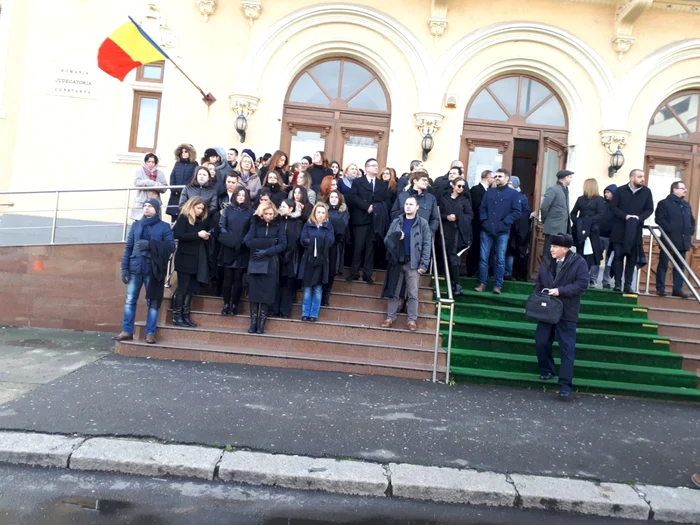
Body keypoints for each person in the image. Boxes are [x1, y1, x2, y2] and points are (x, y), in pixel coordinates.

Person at [534, 233, 589, 400]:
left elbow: (582, 284)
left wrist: (560, 291)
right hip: (547, 310)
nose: (551, 249)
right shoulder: (546, 261)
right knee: (541, 341)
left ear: (565, 249)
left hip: (567, 312)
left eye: (555, 247)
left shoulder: (579, 262)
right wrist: (538, 296)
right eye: (552, 246)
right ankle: (547, 370)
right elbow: (539, 282)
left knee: (567, 349)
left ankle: (565, 385)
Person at [113, 199, 175, 344]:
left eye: (150, 206)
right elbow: (128, 247)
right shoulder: (136, 225)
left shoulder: (164, 227)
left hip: (153, 270)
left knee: (153, 302)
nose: (146, 208)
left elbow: (171, 247)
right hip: (135, 267)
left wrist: (150, 245)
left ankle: (150, 333)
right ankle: (126, 331)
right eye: (145, 206)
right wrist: (124, 268)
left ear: (157, 209)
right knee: (130, 300)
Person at [381, 196, 431, 331]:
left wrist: (424, 264)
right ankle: (390, 318)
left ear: (417, 207)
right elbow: (387, 240)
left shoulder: (423, 223)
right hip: (397, 262)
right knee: (394, 292)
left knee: (413, 293)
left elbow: (427, 244)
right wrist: (397, 237)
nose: (407, 206)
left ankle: (412, 320)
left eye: (411, 204)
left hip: (413, 263)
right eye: (406, 204)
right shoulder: (397, 221)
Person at [475, 169, 521, 294]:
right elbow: (482, 208)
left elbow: (517, 212)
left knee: (500, 259)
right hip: (487, 230)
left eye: (500, 176)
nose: (497, 178)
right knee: (483, 258)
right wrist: (485, 220)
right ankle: (482, 283)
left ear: (507, 178)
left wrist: (505, 222)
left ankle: (497, 285)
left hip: (503, 231)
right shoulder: (489, 192)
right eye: (496, 176)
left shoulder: (513, 194)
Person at [243, 201, 287, 334]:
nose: (268, 216)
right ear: (261, 214)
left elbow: (283, 244)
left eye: (271, 214)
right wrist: (270, 242)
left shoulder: (279, 225)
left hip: (271, 262)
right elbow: (248, 241)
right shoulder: (255, 223)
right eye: (266, 213)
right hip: (256, 261)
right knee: (254, 294)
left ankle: (261, 324)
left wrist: (267, 251)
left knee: (266, 294)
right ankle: (253, 324)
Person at [346, 158, 393, 283]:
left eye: (377, 166)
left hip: (375, 220)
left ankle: (367, 273)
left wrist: (376, 207)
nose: (376, 168)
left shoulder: (382, 184)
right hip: (360, 218)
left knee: (370, 247)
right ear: (366, 168)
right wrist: (366, 207)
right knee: (358, 246)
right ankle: (354, 272)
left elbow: (388, 200)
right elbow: (353, 197)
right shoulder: (358, 182)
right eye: (373, 166)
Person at [610, 169, 654, 293]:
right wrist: (625, 216)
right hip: (619, 230)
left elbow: (649, 209)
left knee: (631, 258)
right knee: (618, 257)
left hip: (635, 230)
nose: (642, 179)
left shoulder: (646, 192)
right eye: (639, 176)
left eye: (643, 176)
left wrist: (639, 218)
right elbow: (613, 207)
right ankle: (617, 283)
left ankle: (628, 285)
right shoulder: (620, 190)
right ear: (632, 178)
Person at [172, 197, 212, 328]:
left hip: (196, 259)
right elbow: (178, 234)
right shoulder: (183, 218)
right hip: (184, 258)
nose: (200, 211)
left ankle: (185, 315)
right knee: (182, 288)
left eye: (202, 209)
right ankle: (177, 316)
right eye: (198, 208)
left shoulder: (201, 221)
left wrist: (206, 235)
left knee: (190, 289)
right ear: (192, 206)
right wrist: (197, 235)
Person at [655, 180, 695, 298]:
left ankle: (677, 289)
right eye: (683, 188)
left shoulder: (686, 204)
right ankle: (660, 288)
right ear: (675, 189)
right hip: (669, 240)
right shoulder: (664, 203)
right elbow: (660, 219)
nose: (685, 190)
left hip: (683, 240)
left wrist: (690, 231)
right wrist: (670, 230)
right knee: (663, 264)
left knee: (680, 266)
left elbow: (691, 221)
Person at [218, 187, 254, 316]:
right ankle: (226, 303)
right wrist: (230, 240)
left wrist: (242, 242)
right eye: (239, 195)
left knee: (238, 278)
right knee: (227, 277)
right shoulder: (228, 209)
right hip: (228, 247)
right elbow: (222, 225)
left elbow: (251, 229)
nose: (241, 197)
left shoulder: (250, 211)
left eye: (243, 195)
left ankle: (234, 305)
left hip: (242, 248)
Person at [298, 203, 335, 322]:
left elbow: (330, 241)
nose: (320, 215)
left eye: (323, 213)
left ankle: (314, 313)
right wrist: (317, 241)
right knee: (308, 287)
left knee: (318, 288)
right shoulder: (308, 225)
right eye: (318, 212)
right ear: (314, 213)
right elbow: (303, 239)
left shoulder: (328, 226)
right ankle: (305, 312)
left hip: (322, 260)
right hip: (309, 259)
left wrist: (315, 240)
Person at [440, 176, 473, 295]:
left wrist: (458, 217)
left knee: (454, 257)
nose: (461, 188)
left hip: (459, 233)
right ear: (453, 186)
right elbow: (440, 213)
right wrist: (447, 217)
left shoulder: (465, 200)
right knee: (447, 256)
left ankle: (457, 284)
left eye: (463, 186)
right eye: (459, 186)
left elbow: (470, 215)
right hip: (446, 231)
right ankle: (453, 283)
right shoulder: (444, 199)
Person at [570, 178, 605, 287]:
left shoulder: (599, 200)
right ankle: (579, 277)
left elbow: (600, 214)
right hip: (580, 231)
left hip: (592, 231)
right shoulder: (580, 199)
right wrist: (579, 223)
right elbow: (573, 213)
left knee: (593, 255)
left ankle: (592, 279)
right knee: (580, 253)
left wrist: (587, 222)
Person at [273, 200, 304, 318]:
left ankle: (285, 311)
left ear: (291, 209)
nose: (280, 208)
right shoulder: (278, 220)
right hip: (277, 254)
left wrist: (287, 252)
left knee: (288, 283)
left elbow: (296, 238)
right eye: (280, 206)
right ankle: (274, 309)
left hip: (291, 256)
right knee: (277, 282)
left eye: (283, 206)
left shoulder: (297, 222)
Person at [391, 168, 440, 233]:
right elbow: (393, 215)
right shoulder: (402, 196)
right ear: (415, 181)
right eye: (424, 180)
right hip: (403, 234)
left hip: (422, 235)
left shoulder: (431, 198)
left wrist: (429, 232)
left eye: (427, 181)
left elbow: (435, 219)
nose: (426, 182)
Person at [540, 169, 574, 260]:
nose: (571, 179)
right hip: (553, 228)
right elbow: (544, 207)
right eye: (570, 177)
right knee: (548, 254)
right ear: (565, 178)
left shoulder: (566, 189)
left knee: (558, 255)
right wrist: (545, 221)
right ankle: (545, 273)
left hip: (563, 228)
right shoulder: (553, 189)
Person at [323, 190, 349, 306]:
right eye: (331, 197)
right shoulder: (324, 210)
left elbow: (343, 226)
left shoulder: (343, 211)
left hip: (336, 243)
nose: (333, 199)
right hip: (323, 243)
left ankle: (327, 293)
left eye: (336, 197)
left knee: (332, 269)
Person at [504, 175, 532, 281]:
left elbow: (526, 212)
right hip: (504, 227)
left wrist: (516, 217)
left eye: (511, 184)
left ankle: (508, 272)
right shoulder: (503, 194)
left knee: (511, 251)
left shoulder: (522, 198)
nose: (509, 187)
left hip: (515, 229)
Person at [467, 169, 493, 277]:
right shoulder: (475, 189)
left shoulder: (491, 191)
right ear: (487, 178)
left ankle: (480, 271)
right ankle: (471, 270)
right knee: (475, 247)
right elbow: (477, 205)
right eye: (492, 177)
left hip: (487, 226)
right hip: (477, 224)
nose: (494, 179)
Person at [131, 153, 167, 221]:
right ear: (145, 162)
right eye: (149, 161)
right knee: (140, 223)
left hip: (155, 203)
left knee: (154, 223)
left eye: (153, 162)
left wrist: (155, 185)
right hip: (142, 201)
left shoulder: (160, 173)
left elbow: (164, 188)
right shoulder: (139, 171)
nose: (151, 164)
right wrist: (149, 182)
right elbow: (136, 183)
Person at [166, 144, 197, 223]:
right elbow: (172, 176)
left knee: (185, 217)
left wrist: (181, 189)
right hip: (175, 195)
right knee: (174, 218)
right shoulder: (177, 163)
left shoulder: (195, 164)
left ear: (190, 153)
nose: (183, 153)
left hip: (187, 195)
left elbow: (192, 178)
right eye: (182, 151)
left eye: (186, 151)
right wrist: (173, 189)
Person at [597, 184, 617, 289]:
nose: (606, 194)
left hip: (611, 237)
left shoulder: (617, 205)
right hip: (599, 235)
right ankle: (592, 279)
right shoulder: (602, 203)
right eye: (605, 192)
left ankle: (606, 280)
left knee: (609, 260)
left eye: (608, 192)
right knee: (596, 258)